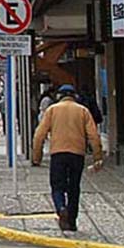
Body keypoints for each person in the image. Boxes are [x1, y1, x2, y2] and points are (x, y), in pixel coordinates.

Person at [32, 84, 103, 232]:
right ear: (74, 96)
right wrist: (97, 156)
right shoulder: (83, 111)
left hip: (58, 153)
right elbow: (94, 136)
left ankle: (61, 208)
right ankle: (72, 221)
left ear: (59, 96)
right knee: (74, 188)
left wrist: (36, 156)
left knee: (57, 185)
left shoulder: (52, 110)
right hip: (77, 154)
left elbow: (39, 135)